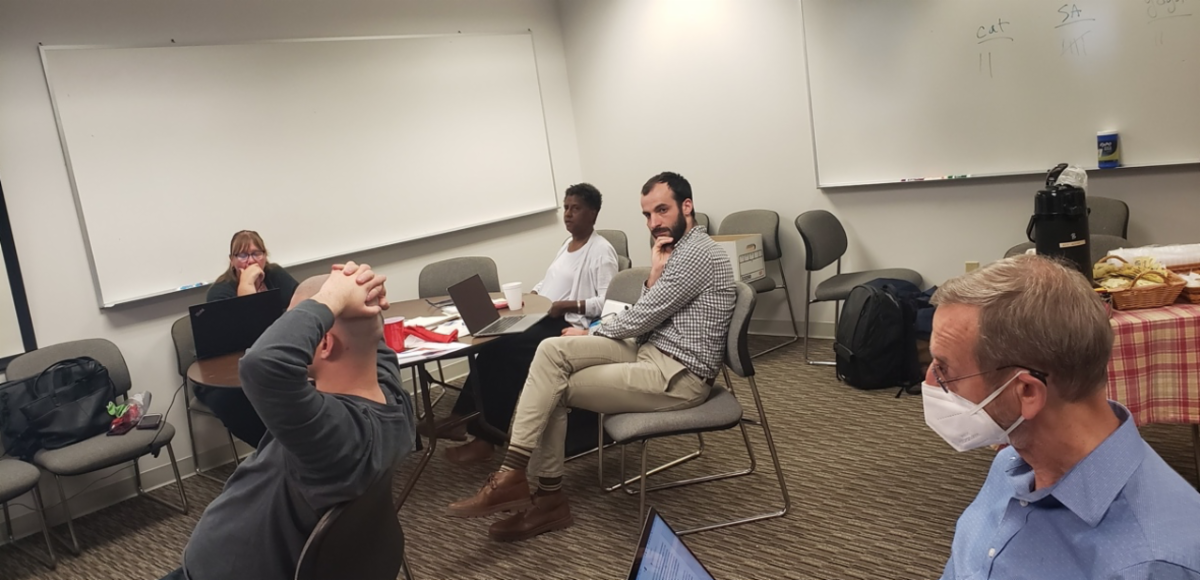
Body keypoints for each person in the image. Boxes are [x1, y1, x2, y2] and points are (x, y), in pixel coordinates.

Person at [447, 171, 735, 542]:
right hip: (648, 351)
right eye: (647, 215)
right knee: (550, 349)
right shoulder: (675, 252)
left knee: (556, 386)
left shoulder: (698, 253)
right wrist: (653, 276)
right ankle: (515, 476)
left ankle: (545, 498)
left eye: (661, 210)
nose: (654, 222)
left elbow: (642, 317)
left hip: (677, 375)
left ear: (687, 206)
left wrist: (595, 330)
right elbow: (647, 310)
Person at [926, 255, 1200, 580]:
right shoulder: (1012, 463)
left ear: (1027, 392)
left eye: (944, 370)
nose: (929, 381)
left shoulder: (1151, 563)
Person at [162, 263, 415, 580]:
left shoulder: (336, 435)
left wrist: (333, 297)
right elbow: (371, 343)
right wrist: (365, 298)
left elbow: (262, 364)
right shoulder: (394, 404)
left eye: (292, 319)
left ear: (323, 343)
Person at [423, 183, 619, 465]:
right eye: (565, 207)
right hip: (544, 316)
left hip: (569, 326)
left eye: (575, 208)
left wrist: (569, 305)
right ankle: (461, 417)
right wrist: (534, 294)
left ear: (593, 213)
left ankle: (486, 440)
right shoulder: (567, 244)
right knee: (493, 343)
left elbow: (607, 302)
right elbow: (548, 280)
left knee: (510, 354)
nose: (568, 214)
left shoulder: (601, 252)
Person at [196, 230, 298, 448]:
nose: (251, 260)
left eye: (256, 253)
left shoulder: (275, 275)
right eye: (242, 255)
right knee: (231, 403)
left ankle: (295, 447)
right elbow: (249, 329)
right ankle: (273, 450)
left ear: (265, 255)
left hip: (275, 356)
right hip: (229, 369)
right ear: (232, 261)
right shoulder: (220, 291)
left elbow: (300, 308)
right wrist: (247, 285)